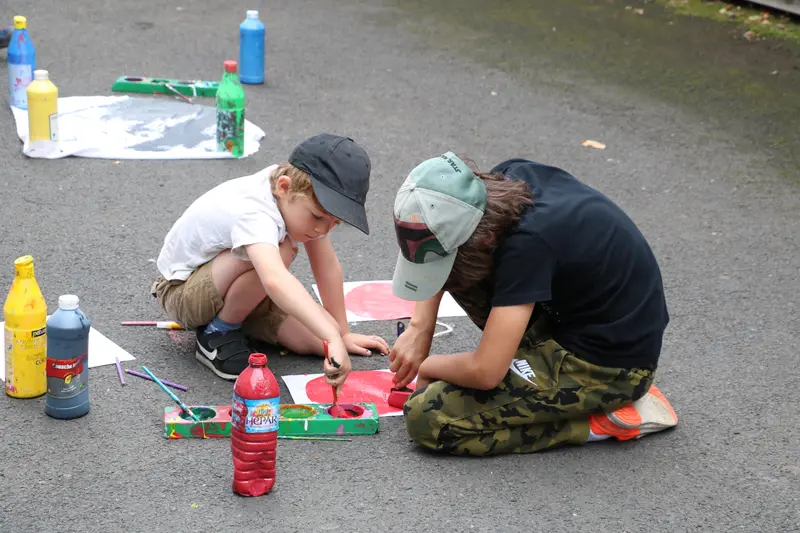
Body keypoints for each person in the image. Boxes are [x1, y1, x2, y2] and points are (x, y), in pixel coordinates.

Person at [388, 152, 678, 456]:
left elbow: (486, 372)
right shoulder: (500, 186)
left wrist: (430, 366)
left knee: (429, 416)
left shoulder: (527, 246)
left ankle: (597, 421)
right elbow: (443, 255)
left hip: (611, 366)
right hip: (574, 318)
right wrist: (421, 328)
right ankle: (535, 377)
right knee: (462, 274)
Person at [151, 133, 389, 391]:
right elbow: (274, 279)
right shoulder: (256, 212)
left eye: (334, 223)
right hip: (182, 292)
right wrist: (331, 335)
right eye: (318, 218)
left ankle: (238, 317)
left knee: (316, 341)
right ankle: (218, 332)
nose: (323, 230)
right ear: (284, 187)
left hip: (234, 285)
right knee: (283, 250)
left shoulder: (299, 195)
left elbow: (327, 268)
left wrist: (340, 333)